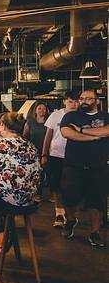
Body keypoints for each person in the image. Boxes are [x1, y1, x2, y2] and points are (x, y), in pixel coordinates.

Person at [0, 112, 41, 256]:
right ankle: (3, 237)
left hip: (9, 200)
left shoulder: (3, 144)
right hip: (28, 200)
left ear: (4, 126)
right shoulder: (29, 144)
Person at [59, 89, 109, 247]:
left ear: (97, 101)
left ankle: (95, 232)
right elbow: (66, 132)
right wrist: (94, 137)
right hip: (73, 165)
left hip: (98, 166)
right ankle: (71, 220)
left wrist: (81, 130)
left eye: (89, 98)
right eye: (82, 98)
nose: (84, 101)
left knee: (96, 201)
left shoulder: (105, 116)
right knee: (69, 196)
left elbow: (107, 131)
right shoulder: (71, 115)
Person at [42, 90, 79, 228]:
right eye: (70, 101)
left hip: (74, 156)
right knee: (56, 185)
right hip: (56, 155)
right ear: (64, 101)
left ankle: (71, 216)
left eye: (76, 101)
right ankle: (59, 213)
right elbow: (48, 136)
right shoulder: (55, 115)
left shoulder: (81, 116)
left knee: (71, 186)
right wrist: (44, 154)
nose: (73, 104)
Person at [24, 102, 49, 201]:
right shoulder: (30, 122)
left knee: (50, 172)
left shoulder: (49, 121)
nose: (42, 111)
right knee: (37, 173)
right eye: (39, 108)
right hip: (34, 151)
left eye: (44, 109)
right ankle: (38, 193)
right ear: (35, 110)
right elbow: (25, 136)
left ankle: (53, 194)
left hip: (47, 150)